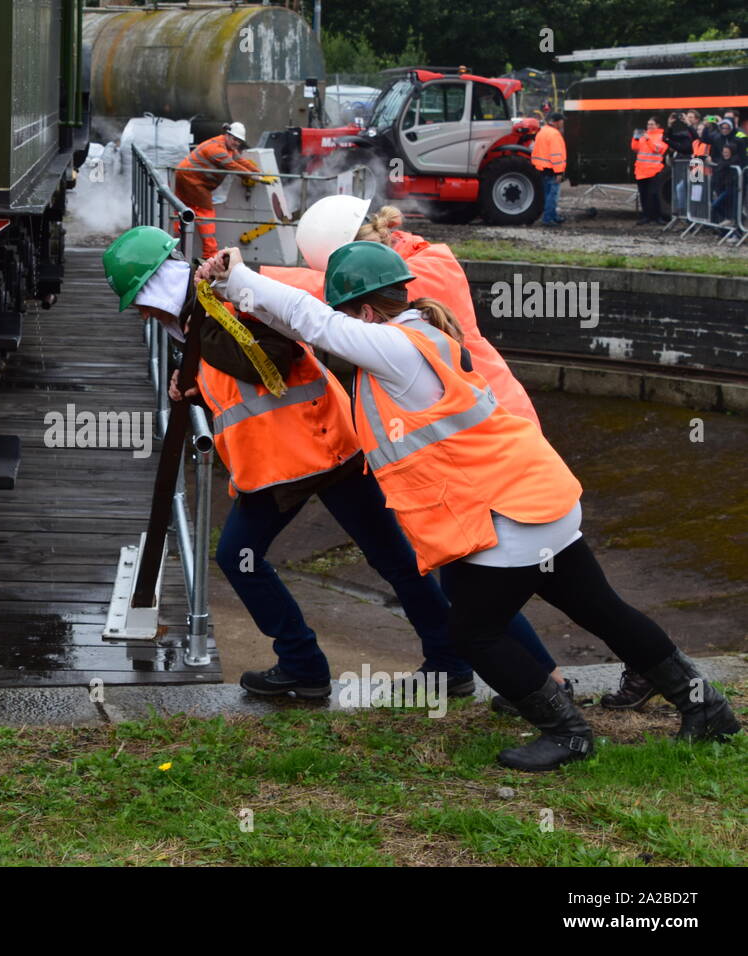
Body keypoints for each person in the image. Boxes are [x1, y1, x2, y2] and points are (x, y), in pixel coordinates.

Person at [197, 241, 741, 771]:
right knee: (603, 609)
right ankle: (707, 708)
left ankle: (567, 733)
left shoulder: (395, 350)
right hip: (540, 495)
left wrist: (237, 278)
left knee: (473, 635)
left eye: (349, 316)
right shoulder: (424, 334)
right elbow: (312, 326)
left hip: (508, 515)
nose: (345, 330)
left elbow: (314, 322)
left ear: (364, 310)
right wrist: (241, 291)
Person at [268, 200, 572, 713]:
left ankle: (548, 685)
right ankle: (533, 676)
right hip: (473, 430)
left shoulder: (424, 274)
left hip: (480, 437)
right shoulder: (423, 259)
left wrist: (249, 279)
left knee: (484, 577)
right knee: (488, 576)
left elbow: (319, 306)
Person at [174, 122, 269, 257]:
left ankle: (173, 244)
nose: (236, 143)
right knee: (206, 213)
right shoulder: (216, 149)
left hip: (188, 178)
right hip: (192, 181)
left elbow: (241, 161)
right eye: (235, 139)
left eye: (239, 141)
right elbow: (233, 166)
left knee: (182, 210)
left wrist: (260, 173)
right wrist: (256, 178)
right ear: (228, 135)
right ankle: (209, 253)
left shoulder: (227, 147)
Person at [531, 113, 567, 226]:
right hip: (552, 170)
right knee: (552, 196)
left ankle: (553, 216)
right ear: (557, 121)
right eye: (562, 121)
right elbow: (556, 155)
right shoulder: (554, 135)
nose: (563, 123)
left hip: (542, 169)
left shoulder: (542, 132)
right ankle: (548, 219)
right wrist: (559, 172)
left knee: (547, 195)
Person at [632, 117, 668, 225]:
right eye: (648, 124)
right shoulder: (643, 136)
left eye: (652, 124)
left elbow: (659, 149)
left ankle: (657, 217)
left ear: (657, 126)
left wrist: (648, 139)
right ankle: (646, 216)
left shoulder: (661, 136)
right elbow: (635, 148)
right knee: (643, 194)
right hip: (641, 170)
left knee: (654, 194)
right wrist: (635, 138)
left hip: (654, 170)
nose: (649, 126)